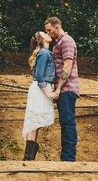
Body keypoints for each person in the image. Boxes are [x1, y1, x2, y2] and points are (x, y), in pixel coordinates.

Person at [44, 16, 80, 162]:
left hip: (67, 88)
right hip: (63, 89)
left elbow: (67, 66)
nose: (48, 33)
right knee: (65, 123)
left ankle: (68, 159)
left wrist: (58, 88)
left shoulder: (67, 41)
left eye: (49, 30)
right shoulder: (58, 42)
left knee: (68, 122)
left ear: (57, 26)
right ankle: (66, 158)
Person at [22, 30, 58, 161]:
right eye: (45, 33)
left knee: (36, 122)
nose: (48, 34)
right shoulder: (43, 53)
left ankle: (30, 155)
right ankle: (28, 157)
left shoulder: (46, 52)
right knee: (34, 122)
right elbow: (39, 76)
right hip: (40, 90)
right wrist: (48, 92)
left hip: (41, 89)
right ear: (42, 40)